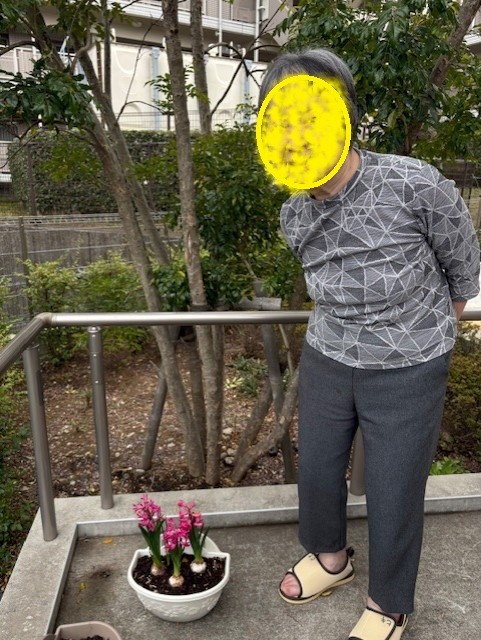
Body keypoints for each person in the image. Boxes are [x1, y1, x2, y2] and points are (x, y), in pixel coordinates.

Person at [256, 48, 480, 640]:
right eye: (281, 114)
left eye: (310, 109)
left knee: (394, 485)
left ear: (343, 112)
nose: (296, 127)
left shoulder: (413, 183)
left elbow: (463, 264)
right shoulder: (294, 215)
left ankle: (390, 602)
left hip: (410, 364)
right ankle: (331, 558)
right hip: (329, 354)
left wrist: (427, 334)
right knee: (318, 467)